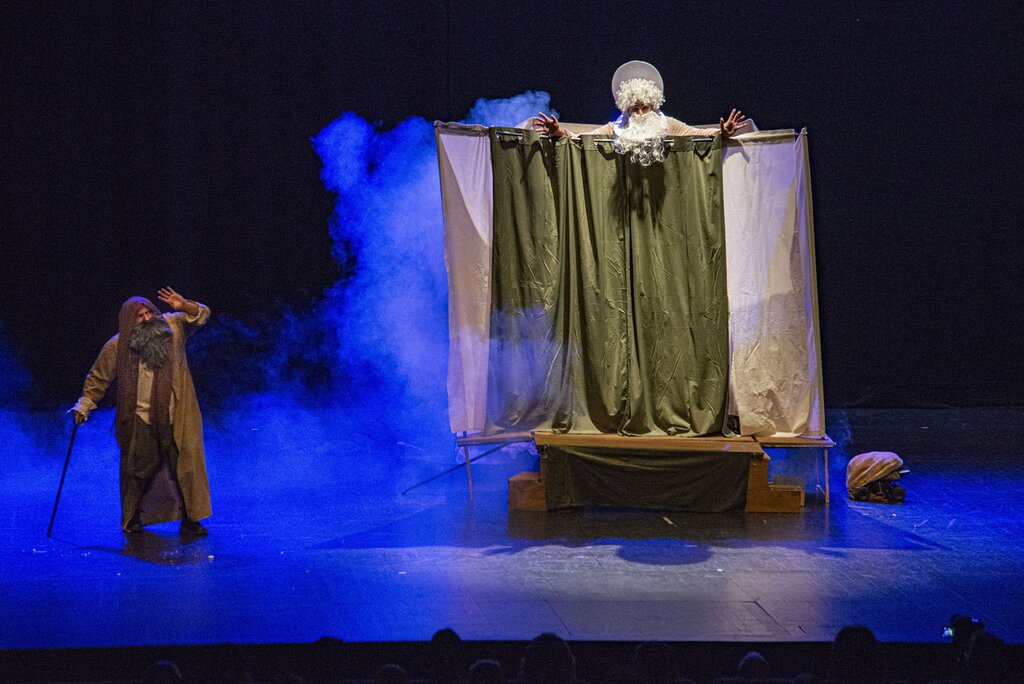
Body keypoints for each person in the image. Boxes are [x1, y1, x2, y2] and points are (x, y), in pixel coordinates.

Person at [71, 287, 212, 536]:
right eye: (140, 316)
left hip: (177, 414)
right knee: (138, 470)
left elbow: (201, 315)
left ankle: (191, 520)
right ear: (129, 321)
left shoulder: (172, 327)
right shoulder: (118, 346)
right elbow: (98, 377)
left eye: (149, 313)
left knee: (186, 467)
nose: (147, 319)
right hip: (141, 417)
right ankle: (133, 516)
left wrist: (184, 306)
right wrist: (85, 405)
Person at [533, 60, 749, 166]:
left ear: (654, 105)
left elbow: (701, 136)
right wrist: (558, 131)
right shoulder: (615, 128)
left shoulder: (668, 124)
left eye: (644, 108)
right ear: (626, 109)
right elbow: (581, 140)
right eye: (634, 109)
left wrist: (723, 134)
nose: (640, 114)